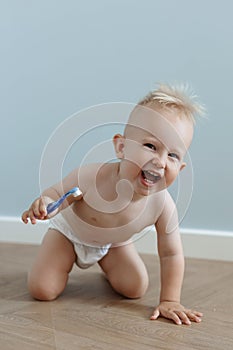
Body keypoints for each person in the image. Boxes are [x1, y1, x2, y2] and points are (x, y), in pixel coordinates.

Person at [22, 83, 204, 326]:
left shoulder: (163, 205)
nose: (160, 162)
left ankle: (107, 265)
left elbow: (171, 253)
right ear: (122, 147)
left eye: (172, 155)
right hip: (69, 235)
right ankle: (60, 262)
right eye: (150, 146)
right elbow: (55, 193)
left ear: (180, 169)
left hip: (113, 242)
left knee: (135, 287)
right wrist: (45, 203)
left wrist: (170, 299)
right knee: (42, 290)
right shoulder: (91, 176)